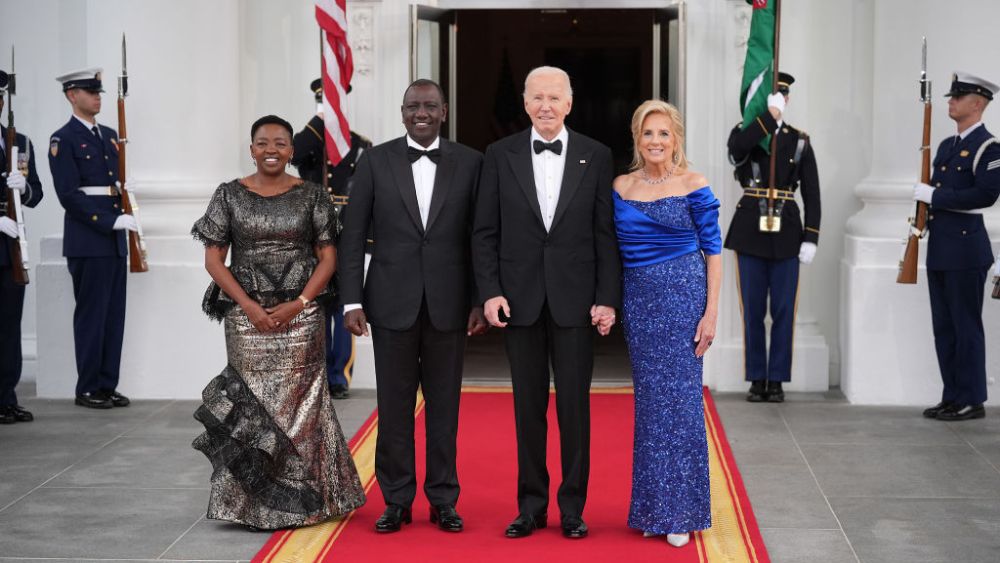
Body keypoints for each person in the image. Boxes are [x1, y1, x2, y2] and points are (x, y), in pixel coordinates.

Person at [190, 115, 365, 530]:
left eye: (281, 143)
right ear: (251, 149)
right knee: (251, 403)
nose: (272, 149)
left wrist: (301, 303)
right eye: (263, 143)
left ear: (291, 150)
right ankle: (251, 505)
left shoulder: (313, 195)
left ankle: (308, 500)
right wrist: (248, 306)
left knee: (303, 406)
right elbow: (214, 259)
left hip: (302, 317)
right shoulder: (228, 194)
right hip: (245, 318)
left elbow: (328, 258)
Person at [472, 66, 621, 540]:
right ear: (525, 103)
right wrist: (490, 291)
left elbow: (606, 234)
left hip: (576, 304)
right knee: (526, 409)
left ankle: (573, 509)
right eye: (537, 97)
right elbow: (485, 232)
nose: (546, 106)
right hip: (519, 302)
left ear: (570, 103)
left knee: (575, 409)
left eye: (554, 97)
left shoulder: (596, 156)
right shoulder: (499, 154)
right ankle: (531, 506)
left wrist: (606, 299)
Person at [339, 79, 487, 534]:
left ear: (444, 111)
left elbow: (481, 237)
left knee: (445, 409)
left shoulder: (470, 162)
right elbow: (351, 233)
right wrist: (351, 299)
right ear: (401, 112)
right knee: (395, 407)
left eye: (429, 106)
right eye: (412, 106)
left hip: (450, 304)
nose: (420, 113)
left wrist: (480, 299)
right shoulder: (376, 161)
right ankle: (396, 500)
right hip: (389, 302)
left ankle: (444, 499)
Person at [613, 100, 721, 548]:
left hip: (684, 304)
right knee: (651, 407)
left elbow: (714, 251)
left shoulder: (694, 183)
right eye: (647, 134)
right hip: (640, 306)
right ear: (638, 140)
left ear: (675, 139)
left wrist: (711, 312)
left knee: (680, 407)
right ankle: (652, 509)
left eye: (664, 133)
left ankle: (681, 511)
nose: (656, 141)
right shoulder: (621, 185)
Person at [725, 72, 821, 403]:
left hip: (787, 232)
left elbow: (812, 193)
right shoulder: (746, 134)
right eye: (771, 93)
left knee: (783, 309)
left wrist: (812, 237)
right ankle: (756, 377)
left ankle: (777, 378)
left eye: (781, 95)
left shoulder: (799, 140)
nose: (777, 98)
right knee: (752, 310)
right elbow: (738, 150)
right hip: (750, 228)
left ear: (787, 98)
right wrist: (768, 119)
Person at [913, 72, 1000, 421]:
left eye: (959, 97)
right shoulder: (948, 146)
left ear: (977, 104)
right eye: (951, 96)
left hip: (966, 249)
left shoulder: (989, 148)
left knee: (966, 326)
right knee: (944, 327)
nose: (951, 101)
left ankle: (972, 398)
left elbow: (986, 194)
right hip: (941, 248)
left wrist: (936, 196)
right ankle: (952, 395)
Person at [49, 68, 135, 409]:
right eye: (90, 91)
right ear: (72, 95)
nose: (97, 96)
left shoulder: (110, 135)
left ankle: (106, 384)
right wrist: (109, 221)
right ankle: (87, 387)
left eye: (99, 91)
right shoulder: (64, 138)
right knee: (92, 315)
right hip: (90, 237)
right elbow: (68, 194)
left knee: (114, 315)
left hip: (114, 239)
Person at [291, 78, 372, 400]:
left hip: (345, 232)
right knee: (315, 306)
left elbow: (368, 193)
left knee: (344, 305)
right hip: (311, 234)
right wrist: (319, 120)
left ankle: (339, 376)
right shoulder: (310, 141)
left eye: (331, 103)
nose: (326, 109)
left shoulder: (359, 143)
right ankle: (319, 373)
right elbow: (294, 155)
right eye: (321, 103)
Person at [0, 69, 44, 424]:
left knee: (10, 325)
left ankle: (6, 396)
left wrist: (23, 188)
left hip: (11, 248)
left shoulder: (20, 142)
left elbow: (36, 194)